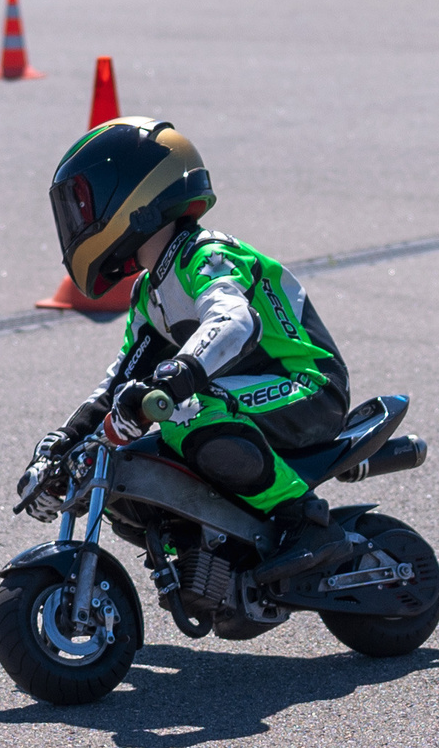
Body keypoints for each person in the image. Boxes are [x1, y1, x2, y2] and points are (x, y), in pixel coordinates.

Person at [18, 117, 356, 583]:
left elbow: (233, 321)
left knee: (186, 414)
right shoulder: (149, 294)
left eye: (85, 204)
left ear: (133, 194)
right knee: (125, 460)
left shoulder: (207, 252)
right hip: (241, 398)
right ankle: (212, 550)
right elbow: (119, 383)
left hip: (307, 386)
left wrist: (177, 375)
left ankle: (308, 524)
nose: (77, 221)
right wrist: (62, 446)